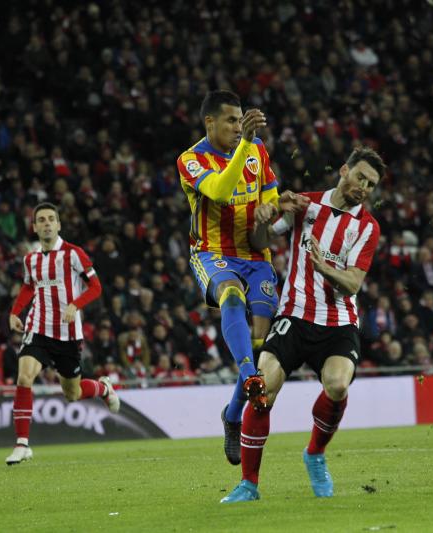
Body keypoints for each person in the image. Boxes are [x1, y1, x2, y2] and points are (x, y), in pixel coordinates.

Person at [220, 147, 384, 503]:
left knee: (338, 385)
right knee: (260, 391)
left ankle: (314, 453)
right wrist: (265, 216)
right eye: (361, 178)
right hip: (294, 316)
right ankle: (249, 484)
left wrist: (323, 266)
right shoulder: (305, 205)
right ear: (344, 170)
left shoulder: (367, 228)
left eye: (370, 185)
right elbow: (260, 241)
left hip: (338, 324)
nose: (364, 188)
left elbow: (353, 284)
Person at [177, 90, 308, 465]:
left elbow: (266, 210)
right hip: (213, 253)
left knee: (262, 337)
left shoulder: (258, 151)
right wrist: (245, 144)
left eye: (241, 120)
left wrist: (277, 209)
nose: (238, 127)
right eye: (231, 121)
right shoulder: (190, 159)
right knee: (231, 297)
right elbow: (218, 191)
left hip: (255, 254)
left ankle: (232, 416)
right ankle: (249, 375)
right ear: (210, 123)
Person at [5, 202, 118, 465]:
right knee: (24, 377)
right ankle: (22, 444)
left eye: (50, 219)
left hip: (67, 334)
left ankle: (103, 387)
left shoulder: (73, 254)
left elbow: (96, 287)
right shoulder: (30, 259)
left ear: (58, 225)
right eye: (41, 220)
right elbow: (27, 288)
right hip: (38, 327)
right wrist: (15, 313)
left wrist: (75, 304)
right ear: (34, 227)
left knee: (72, 394)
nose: (46, 223)